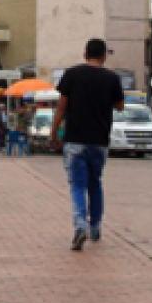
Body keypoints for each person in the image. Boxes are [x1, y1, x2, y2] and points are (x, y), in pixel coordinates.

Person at [51, 38, 124, 251]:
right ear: (104, 56)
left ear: (85, 54)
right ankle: (95, 227)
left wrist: (54, 133)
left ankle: (80, 225)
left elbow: (61, 107)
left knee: (77, 185)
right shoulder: (112, 78)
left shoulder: (72, 74)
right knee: (95, 184)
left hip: (75, 139)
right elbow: (120, 106)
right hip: (99, 141)